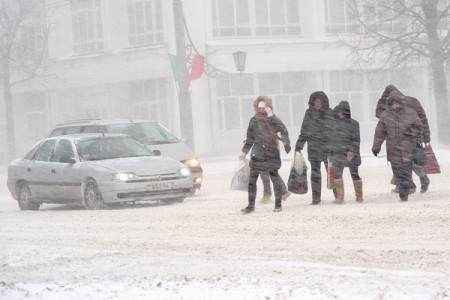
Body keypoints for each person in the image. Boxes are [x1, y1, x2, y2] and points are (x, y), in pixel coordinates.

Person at [239, 96, 291, 213]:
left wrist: (272, 117)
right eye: (259, 108)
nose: (261, 110)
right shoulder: (254, 120)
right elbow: (250, 138)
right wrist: (244, 152)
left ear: (268, 108)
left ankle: (278, 205)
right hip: (257, 154)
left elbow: (283, 130)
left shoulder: (273, 119)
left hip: (271, 153)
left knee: (275, 179)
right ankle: (250, 206)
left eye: (263, 108)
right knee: (252, 181)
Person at [376, 85, 431, 193]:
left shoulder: (389, 105)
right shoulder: (412, 101)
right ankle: (409, 183)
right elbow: (423, 118)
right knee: (405, 162)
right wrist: (425, 135)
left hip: (405, 138)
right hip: (410, 137)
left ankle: (409, 185)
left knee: (403, 162)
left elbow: (379, 114)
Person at [294, 91, 336, 205]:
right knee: (315, 174)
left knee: (331, 173)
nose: (317, 104)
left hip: (328, 149)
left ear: (323, 102)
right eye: (315, 101)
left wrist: (334, 144)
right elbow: (304, 131)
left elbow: (334, 131)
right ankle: (316, 199)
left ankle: (338, 196)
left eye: (319, 101)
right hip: (314, 148)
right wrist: (299, 145)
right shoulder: (309, 114)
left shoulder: (330, 113)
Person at [330, 100, 363, 203]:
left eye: (341, 111)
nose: (339, 113)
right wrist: (331, 152)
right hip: (338, 153)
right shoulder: (334, 124)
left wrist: (352, 151)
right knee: (337, 175)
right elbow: (332, 139)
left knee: (355, 174)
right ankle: (340, 197)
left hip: (351, 154)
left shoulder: (354, 124)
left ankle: (359, 196)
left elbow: (356, 140)